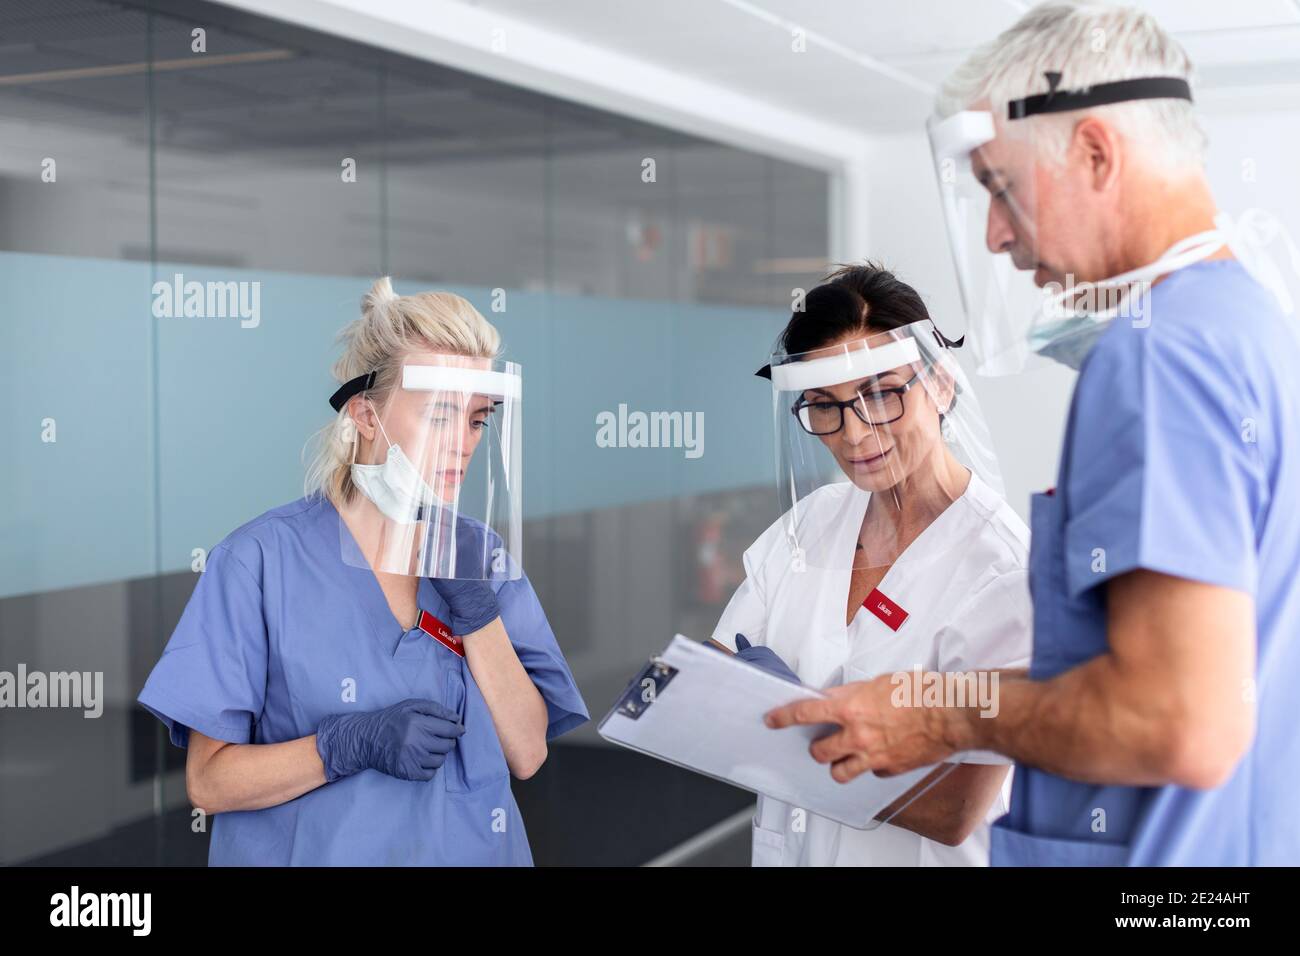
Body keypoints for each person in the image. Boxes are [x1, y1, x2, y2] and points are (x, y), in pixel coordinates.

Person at [767, 2, 1300, 865]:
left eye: (1001, 187)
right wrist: (924, 696)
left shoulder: (1158, 353)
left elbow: (1176, 722)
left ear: (1095, 152)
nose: (996, 236)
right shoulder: (1245, 322)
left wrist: (937, 715)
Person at [138, 277, 587, 866]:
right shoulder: (259, 562)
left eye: (477, 420)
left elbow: (527, 752)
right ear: (366, 416)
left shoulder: (482, 558)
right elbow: (209, 783)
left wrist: (479, 616)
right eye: (440, 416)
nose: (463, 445)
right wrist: (342, 747)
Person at [711, 264, 1032, 866]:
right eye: (824, 406)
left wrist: (785, 733)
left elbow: (953, 809)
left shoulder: (1002, 569)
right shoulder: (812, 523)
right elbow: (716, 676)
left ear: (940, 383)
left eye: (881, 394)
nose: (854, 434)